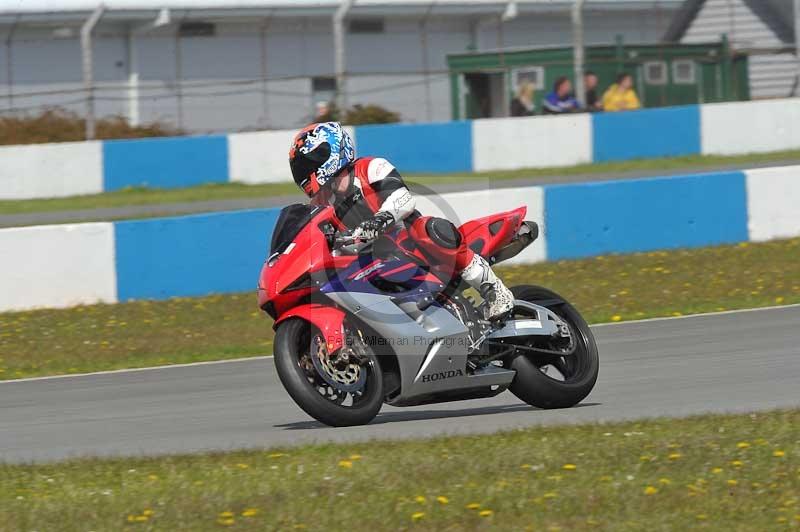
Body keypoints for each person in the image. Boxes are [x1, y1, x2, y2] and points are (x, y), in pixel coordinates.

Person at [288, 122, 515, 320]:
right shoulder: (326, 206)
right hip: (372, 262)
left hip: (411, 245)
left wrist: (377, 222)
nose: (305, 172)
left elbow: (403, 199)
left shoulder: (371, 168)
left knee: (430, 229)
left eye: (309, 163)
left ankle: (495, 291)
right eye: (301, 168)